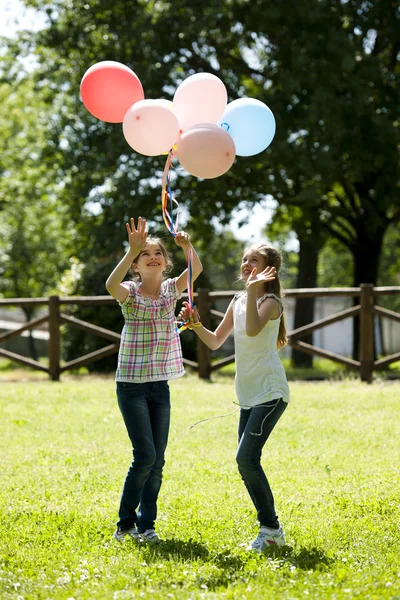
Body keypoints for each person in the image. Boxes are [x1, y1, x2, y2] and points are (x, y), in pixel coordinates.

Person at [179, 243, 290, 552]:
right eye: (244, 259)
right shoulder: (239, 300)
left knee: (245, 459)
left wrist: (254, 289)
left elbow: (254, 331)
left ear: (269, 270)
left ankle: (271, 529)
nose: (246, 263)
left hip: (270, 393)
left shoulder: (270, 302)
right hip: (248, 396)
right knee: (245, 463)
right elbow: (215, 342)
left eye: (254, 260)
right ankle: (270, 529)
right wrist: (195, 323)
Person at [106, 216, 203, 543]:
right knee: (145, 455)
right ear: (136, 265)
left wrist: (187, 246)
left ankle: (147, 526)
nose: (152, 256)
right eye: (144, 254)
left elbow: (196, 271)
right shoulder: (130, 292)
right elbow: (110, 285)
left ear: (165, 263)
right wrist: (130, 248)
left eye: (158, 253)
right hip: (131, 385)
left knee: (157, 460)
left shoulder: (169, 291)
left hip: (159, 385)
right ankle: (125, 525)